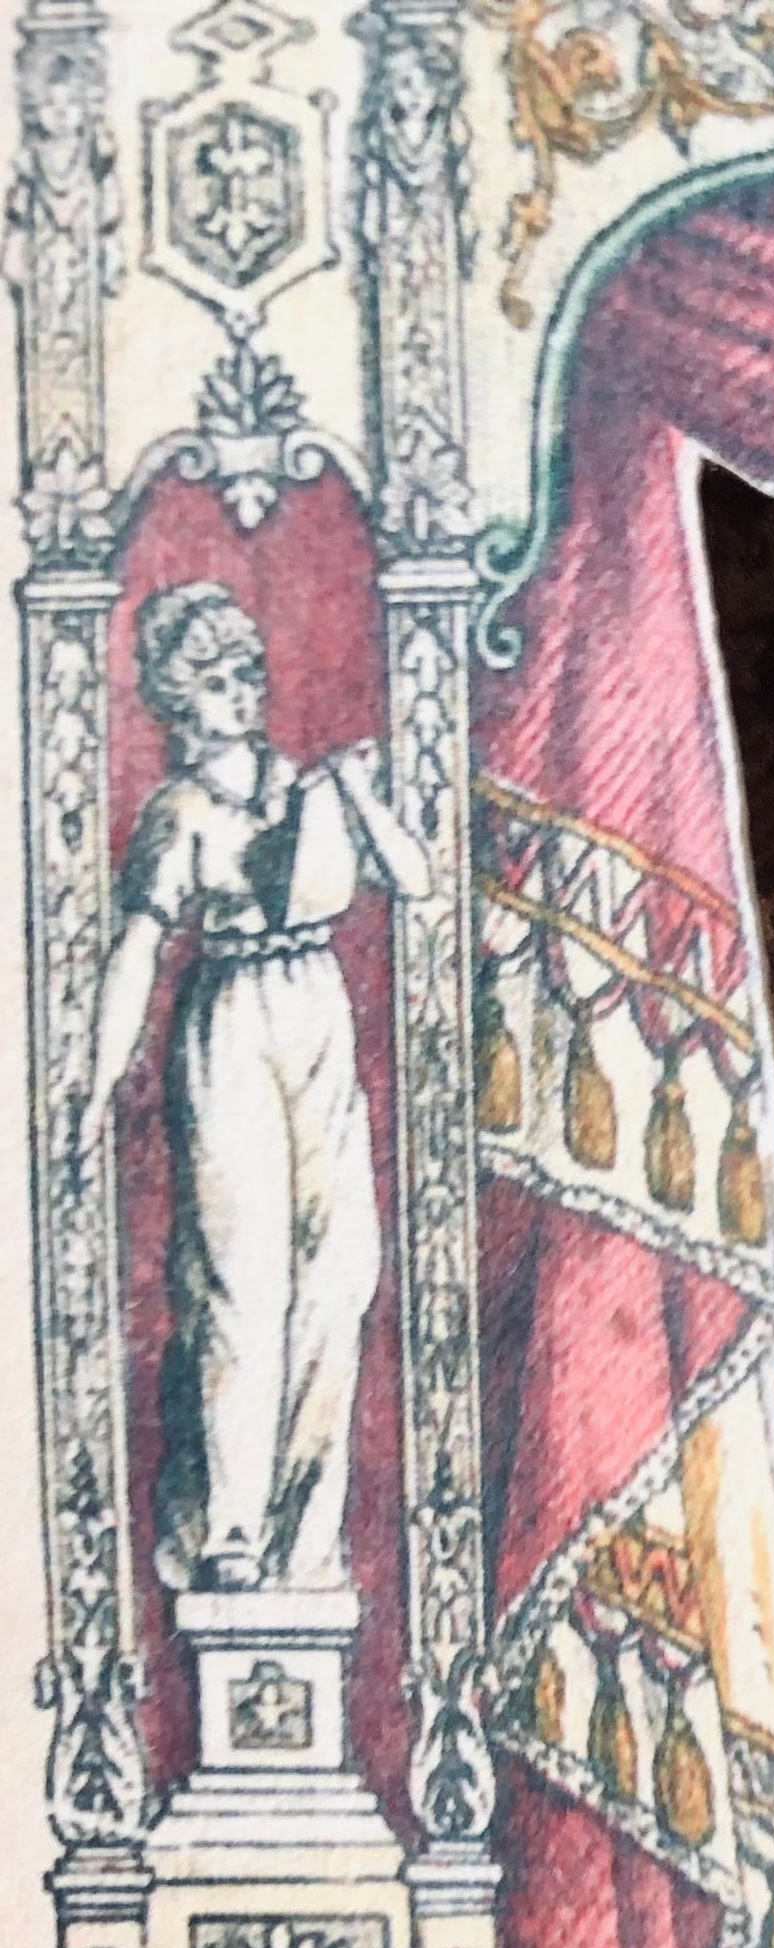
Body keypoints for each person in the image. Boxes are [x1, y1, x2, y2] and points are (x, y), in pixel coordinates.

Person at [90, 582, 429, 1593]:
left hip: (315, 1007)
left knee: (340, 1273)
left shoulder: (313, 787)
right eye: (214, 680)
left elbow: (412, 878)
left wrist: (357, 793)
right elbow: (137, 952)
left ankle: (307, 1534)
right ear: (175, 700)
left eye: (245, 672)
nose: (240, 692)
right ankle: (232, 1527)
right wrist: (96, 1084)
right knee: (243, 1275)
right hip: (229, 1016)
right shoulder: (179, 813)